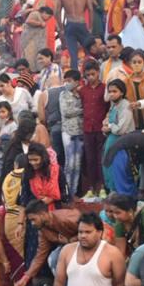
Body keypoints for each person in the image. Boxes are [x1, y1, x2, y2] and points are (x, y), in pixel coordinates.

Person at [50, 212, 125, 286]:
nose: (83, 236)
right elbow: (59, 282)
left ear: (100, 233)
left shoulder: (112, 253)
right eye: (80, 232)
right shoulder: (67, 250)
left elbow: (121, 284)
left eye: (88, 232)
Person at [80, 61, 109, 197]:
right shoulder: (83, 90)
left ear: (98, 72)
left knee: (101, 158)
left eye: (93, 74)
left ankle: (102, 187)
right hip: (87, 129)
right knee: (90, 159)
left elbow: (109, 108)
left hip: (101, 128)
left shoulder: (105, 88)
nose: (91, 77)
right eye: (88, 75)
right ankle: (92, 188)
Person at [56, 0, 93, 70]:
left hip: (70, 25)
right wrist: (90, 27)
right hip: (81, 23)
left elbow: (57, 12)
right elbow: (90, 10)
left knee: (73, 54)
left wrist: (61, 28)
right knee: (88, 51)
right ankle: (90, 73)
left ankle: (75, 78)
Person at [59, 70, 84, 198]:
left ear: (77, 82)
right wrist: (82, 110)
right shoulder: (63, 94)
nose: (67, 83)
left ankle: (73, 192)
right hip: (68, 132)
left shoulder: (81, 94)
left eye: (69, 81)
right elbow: (67, 112)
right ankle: (66, 192)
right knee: (69, 163)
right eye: (66, 80)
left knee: (77, 164)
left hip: (80, 132)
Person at [124, 49, 144, 130]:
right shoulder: (126, 81)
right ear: (130, 64)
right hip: (133, 117)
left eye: (139, 62)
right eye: (134, 62)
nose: (136, 64)